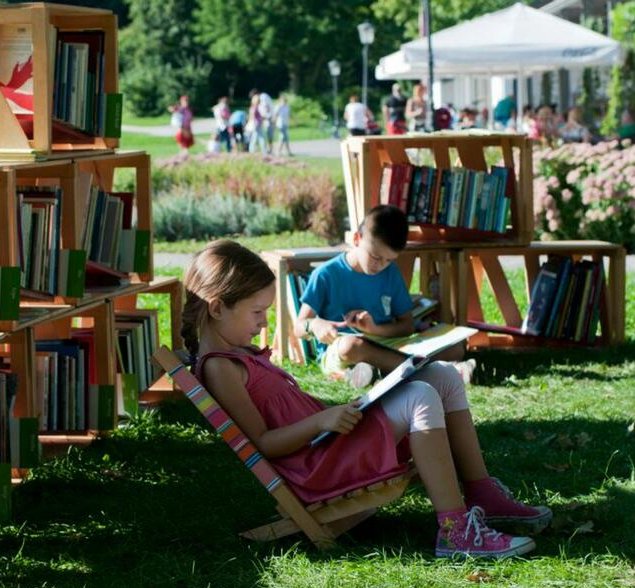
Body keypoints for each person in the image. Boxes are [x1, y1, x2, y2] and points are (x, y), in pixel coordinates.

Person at [182, 239, 552, 559]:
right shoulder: (222, 369)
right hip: (317, 466)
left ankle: (480, 491)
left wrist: (334, 415)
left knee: (439, 375)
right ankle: (455, 533)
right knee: (420, 396)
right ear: (216, 308)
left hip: (328, 445)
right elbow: (263, 443)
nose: (263, 323)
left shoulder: (239, 355)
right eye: (257, 312)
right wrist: (322, 421)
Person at [293, 204, 476, 386]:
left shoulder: (390, 273)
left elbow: (407, 326)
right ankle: (436, 373)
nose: (380, 265)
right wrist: (314, 324)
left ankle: (377, 371)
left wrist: (374, 329)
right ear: (357, 239)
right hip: (342, 349)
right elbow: (299, 326)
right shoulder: (326, 274)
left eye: (389, 260)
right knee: (352, 345)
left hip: (388, 344)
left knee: (455, 348)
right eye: (375, 257)